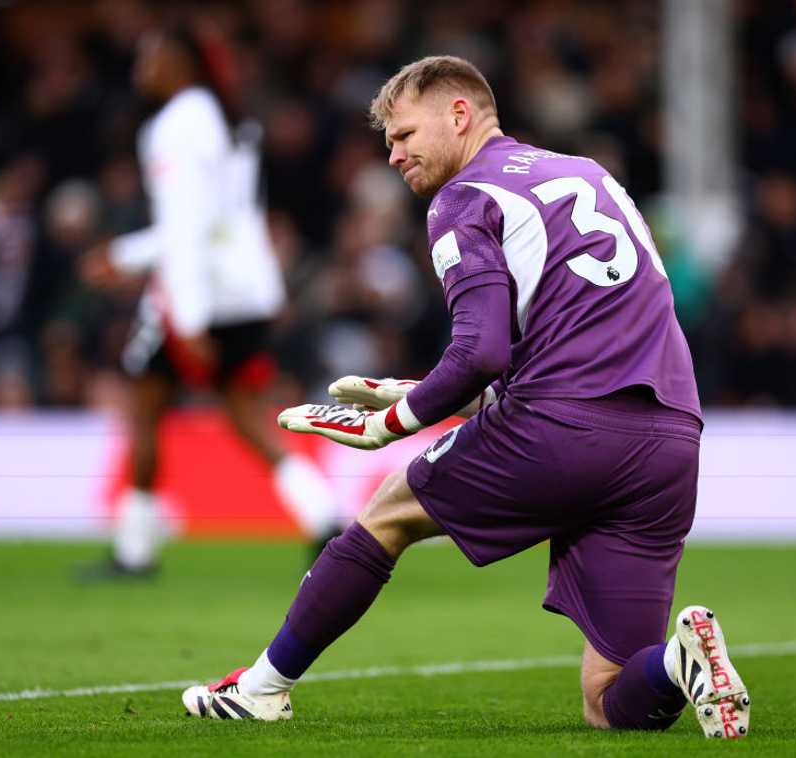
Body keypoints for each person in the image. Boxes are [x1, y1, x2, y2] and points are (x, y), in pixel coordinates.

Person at [181, 56, 750, 738]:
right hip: (668, 442)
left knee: (386, 515)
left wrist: (393, 423)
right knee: (610, 698)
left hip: (563, 429)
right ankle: (680, 662)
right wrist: (424, 393)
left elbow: (482, 353)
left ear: (460, 114)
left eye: (404, 134)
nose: (393, 155)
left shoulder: (464, 198)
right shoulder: (584, 173)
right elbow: (565, 342)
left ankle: (262, 688)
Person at [80, 26, 339, 578]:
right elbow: (213, 219)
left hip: (200, 293)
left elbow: (187, 227)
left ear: (179, 63)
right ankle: (322, 517)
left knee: (143, 406)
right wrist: (125, 255)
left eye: (150, 53)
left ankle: (134, 551)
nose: (140, 65)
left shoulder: (174, 126)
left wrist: (189, 316)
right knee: (246, 415)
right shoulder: (227, 119)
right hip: (249, 288)